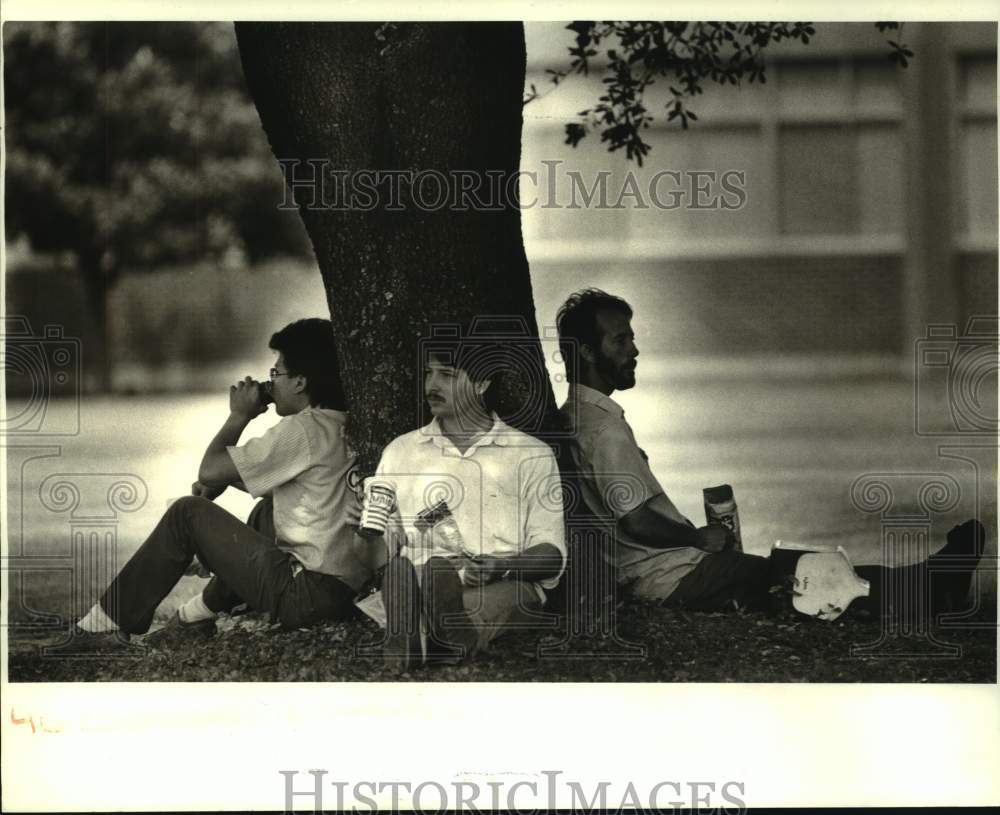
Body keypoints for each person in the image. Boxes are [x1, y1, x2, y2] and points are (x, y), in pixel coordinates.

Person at [555, 288, 986, 619]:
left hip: (667, 571)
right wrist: (695, 538)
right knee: (809, 583)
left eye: (631, 338)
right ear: (588, 352)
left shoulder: (575, 418)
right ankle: (934, 590)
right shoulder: (603, 430)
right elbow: (634, 518)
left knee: (799, 571)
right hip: (671, 578)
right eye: (620, 341)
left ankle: (932, 580)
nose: (634, 350)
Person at [73, 318, 372, 650]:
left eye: (276, 374)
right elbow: (306, 490)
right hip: (342, 593)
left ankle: (102, 626)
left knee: (187, 513)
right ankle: (196, 616)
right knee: (265, 512)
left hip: (307, 596)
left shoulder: (302, 430)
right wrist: (228, 483)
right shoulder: (340, 425)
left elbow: (209, 469)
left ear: (300, 382)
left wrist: (239, 415)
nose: (269, 383)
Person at [369, 329, 566, 672]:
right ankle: (431, 634)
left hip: (502, 581)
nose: (432, 385)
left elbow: (551, 553)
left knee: (498, 600)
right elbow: (382, 554)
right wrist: (367, 534)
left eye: (447, 374)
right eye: (429, 373)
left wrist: (501, 566)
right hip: (417, 582)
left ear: (482, 384)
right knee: (415, 583)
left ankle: (417, 637)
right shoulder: (400, 451)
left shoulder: (531, 454)